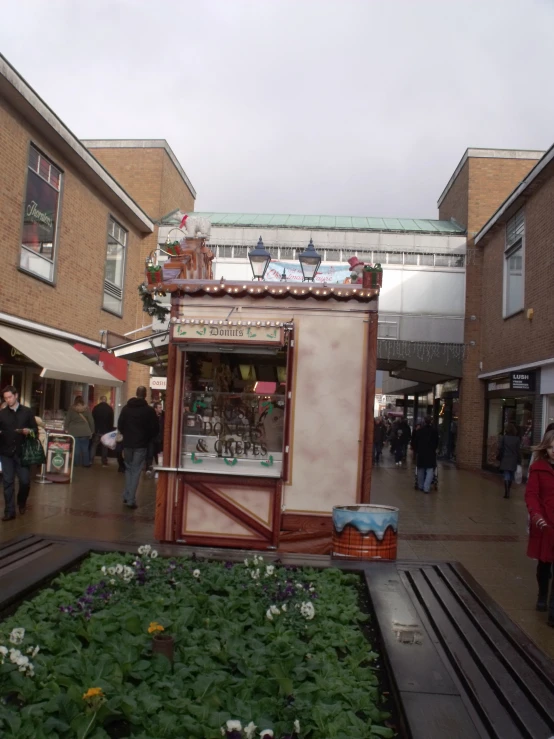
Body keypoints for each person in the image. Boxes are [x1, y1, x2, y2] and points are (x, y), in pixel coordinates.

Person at [524, 430, 554, 624]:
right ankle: (542, 594)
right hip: (545, 525)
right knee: (544, 565)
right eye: (551, 447)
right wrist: (536, 515)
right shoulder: (538, 468)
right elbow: (531, 495)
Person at [0, 385, 38, 521]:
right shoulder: (2, 414)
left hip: (22, 453)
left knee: (25, 481)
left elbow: (35, 431)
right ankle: (9, 512)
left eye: (10, 397)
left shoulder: (27, 412)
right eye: (5, 398)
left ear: (16, 396)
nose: (8, 400)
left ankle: (21, 501)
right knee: (8, 482)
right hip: (6, 453)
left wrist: (30, 431)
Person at [117, 386, 159, 509]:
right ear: (145, 395)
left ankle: (126, 494)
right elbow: (155, 429)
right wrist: (147, 438)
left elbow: (120, 425)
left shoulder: (126, 409)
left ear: (136, 393)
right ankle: (130, 499)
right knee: (136, 471)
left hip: (128, 444)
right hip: (141, 444)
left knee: (129, 469)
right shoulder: (149, 411)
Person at [64, 396, 95, 467]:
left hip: (74, 432)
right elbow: (91, 421)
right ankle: (86, 464)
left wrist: (66, 428)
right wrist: (92, 430)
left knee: (76, 449)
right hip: (85, 431)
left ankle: (75, 463)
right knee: (85, 449)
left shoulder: (71, 409)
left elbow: (67, 420)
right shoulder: (86, 409)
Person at [412, 416, 439, 493]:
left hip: (421, 453)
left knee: (420, 469)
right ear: (431, 422)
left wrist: (417, 450)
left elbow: (415, 442)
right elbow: (436, 443)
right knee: (430, 470)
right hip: (430, 453)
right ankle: (426, 488)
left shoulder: (419, 431)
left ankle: (420, 486)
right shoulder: (434, 431)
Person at [497, 423, 521, 499]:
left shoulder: (504, 438)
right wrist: (519, 460)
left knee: (506, 475)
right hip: (513, 459)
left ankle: (506, 492)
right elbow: (518, 451)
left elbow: (500, 448)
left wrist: (500, 456)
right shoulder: (517, 439)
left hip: (505, 458)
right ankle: (509, 490)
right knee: (511, 475)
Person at [92, 396, 114, 466]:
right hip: (106, 431)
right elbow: (111, 421)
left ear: (100, 400)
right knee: (105, 446)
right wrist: (110, 430)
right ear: (106, 400)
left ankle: (91, 459)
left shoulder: (96, 408)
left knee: (94, 445)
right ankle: (104, 460)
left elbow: (92, 419)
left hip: (97, 430)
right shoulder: (110, 409)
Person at [146, 401, 165, 476]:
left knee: (159, 455)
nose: (161, 409)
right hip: (152, 438)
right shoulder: (151, 417)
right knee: (150, 454)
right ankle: (148, 469)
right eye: (159, 407)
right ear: (155, 409)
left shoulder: (163, 416)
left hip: (160, 439)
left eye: (161, 407)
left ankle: (158, 469)